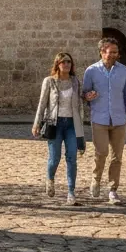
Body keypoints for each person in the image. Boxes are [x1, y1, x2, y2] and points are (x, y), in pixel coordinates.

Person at [82, 36, 126, 205]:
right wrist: (88, 96)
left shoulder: (124, 71)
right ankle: (96, 179)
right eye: (110, 52)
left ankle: (113, 190)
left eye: (116, 52)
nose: (114, 55)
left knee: (117, 157)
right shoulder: (91, 71)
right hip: (99, 119)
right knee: (101, 153)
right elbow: (84, 93)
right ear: (102, 52)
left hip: (119, 120)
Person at [32, 52, 86, 206]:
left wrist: (81, 127)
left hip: (72, 124)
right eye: (63, 62)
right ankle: (50, 179)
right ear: (57, 64)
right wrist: (36, 123)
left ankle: (71, 192)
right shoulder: (49, 81)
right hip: (54, 124)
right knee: (55, 157)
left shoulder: (75, 82)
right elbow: (42, 103)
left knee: (72, 157)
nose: (66, 64)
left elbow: (79, 104)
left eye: (69, 62)